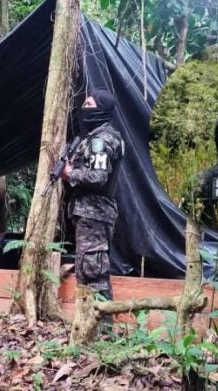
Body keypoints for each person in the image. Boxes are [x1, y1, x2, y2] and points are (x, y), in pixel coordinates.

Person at [61, 89, 124, 304]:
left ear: (101, 109)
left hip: (94, 213)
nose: (84, 109)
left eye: (89, 105)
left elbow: (98, 177)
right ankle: (90, 325)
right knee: (87, 270)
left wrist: (70, 174)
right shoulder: (93, 138)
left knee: (93, 273)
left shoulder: (101, 140)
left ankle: (102, 330)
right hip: (90, 213)